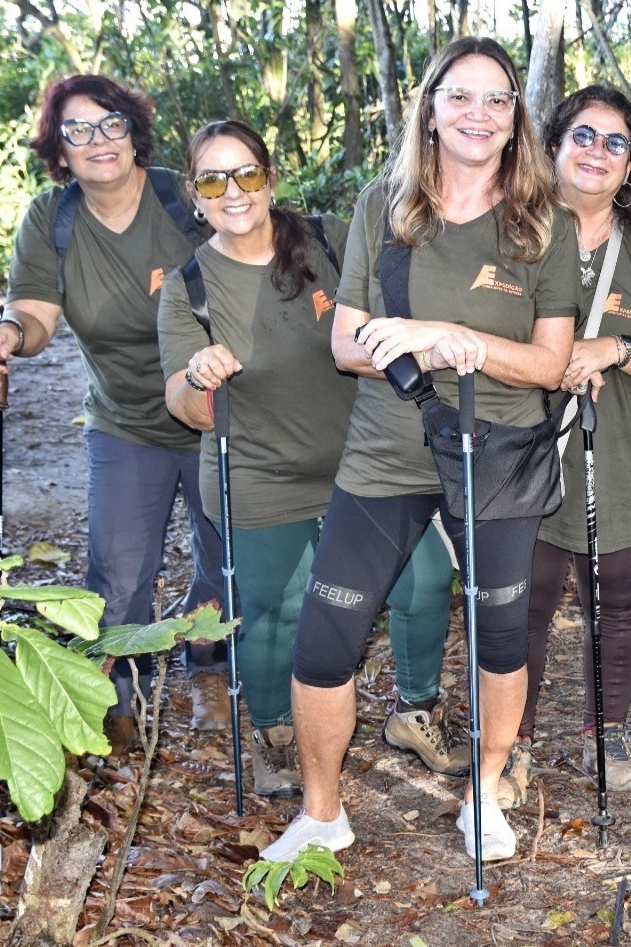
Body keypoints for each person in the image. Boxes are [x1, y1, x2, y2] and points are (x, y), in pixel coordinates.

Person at [259, 36, 579, 863]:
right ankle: (323, 811)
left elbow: (548, 364)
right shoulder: (385, 205)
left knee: (501, 638)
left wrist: (448, 333)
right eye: (459, 96)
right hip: (386, 453)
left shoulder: (546, 224)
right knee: (325, 637)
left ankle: (485, 793)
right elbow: (345, 342)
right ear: (429, 110)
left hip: (498, 454)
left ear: (516, 121)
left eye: (497, 100)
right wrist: (421, 346)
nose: (479, 114)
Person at [156, 120, 465, 798]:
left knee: (423, 579)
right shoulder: (189, 286)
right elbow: (181, 403)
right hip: (257, 476)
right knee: (277, 609)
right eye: (213, 179)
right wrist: (199, 377)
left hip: (361, 462)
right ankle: (275, 734)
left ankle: (416, 710)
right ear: (193, 193)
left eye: (246, 174)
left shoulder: (324, 242)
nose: (232, 191)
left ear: (270, 178)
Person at [0, 75, 226, 751]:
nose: (96, 141)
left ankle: (210, 668)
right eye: (76, 130)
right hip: (125, 422)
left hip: (216, 412)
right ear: (58, 146)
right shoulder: (52, 220)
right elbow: (35, 315)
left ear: (133, 130)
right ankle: (114, 701)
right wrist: (8, 334)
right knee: (115, 574)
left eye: (109, 123)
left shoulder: (183, 199)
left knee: (227, 556)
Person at [502, 86, 631, 808]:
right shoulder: (510, 230)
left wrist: (616, 347)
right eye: (582, 136)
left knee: (618, 603)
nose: (596, 153)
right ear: (552, 147)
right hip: (524, 454)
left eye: (614, 143)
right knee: (518, 604)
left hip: (619, 457)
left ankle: (605, 732)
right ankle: (510, 743)